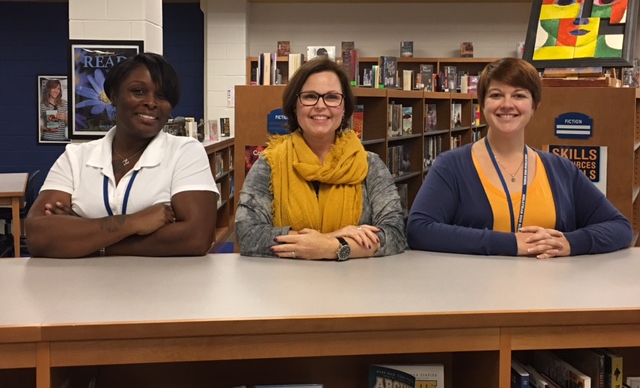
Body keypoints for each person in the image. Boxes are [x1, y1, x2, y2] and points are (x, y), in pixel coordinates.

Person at [407, 57, 633, 258]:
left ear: (534, 106)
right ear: (482, 104)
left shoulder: (560, 169)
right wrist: (511, 243)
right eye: (496, 95)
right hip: (474, 296)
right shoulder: (451, 166)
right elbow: (419, 229)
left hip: (551, 297)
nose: (507, 104)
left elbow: (620, 228)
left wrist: (569, 243)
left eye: (519, 95)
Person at [26, 52, 219, 258]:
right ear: (113, 96)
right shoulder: (76, 157)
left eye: (162, 96)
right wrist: (134, 222)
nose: (151, 102)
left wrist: (87, 238)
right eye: (139, 91)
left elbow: (196, 238)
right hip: (82, 286)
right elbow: (39, 237)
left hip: (162, 286)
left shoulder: (185, 152)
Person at [236, 57, 406, 260]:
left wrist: (332, 247)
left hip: (355, 286)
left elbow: (395, 232)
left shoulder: (369, 164)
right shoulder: (270, 162)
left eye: (332, 97)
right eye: (310, 96)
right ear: (294, 106)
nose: (320, 105)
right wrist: (329, 239)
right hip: (284, 285)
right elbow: (247, 234)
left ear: (344, 108)